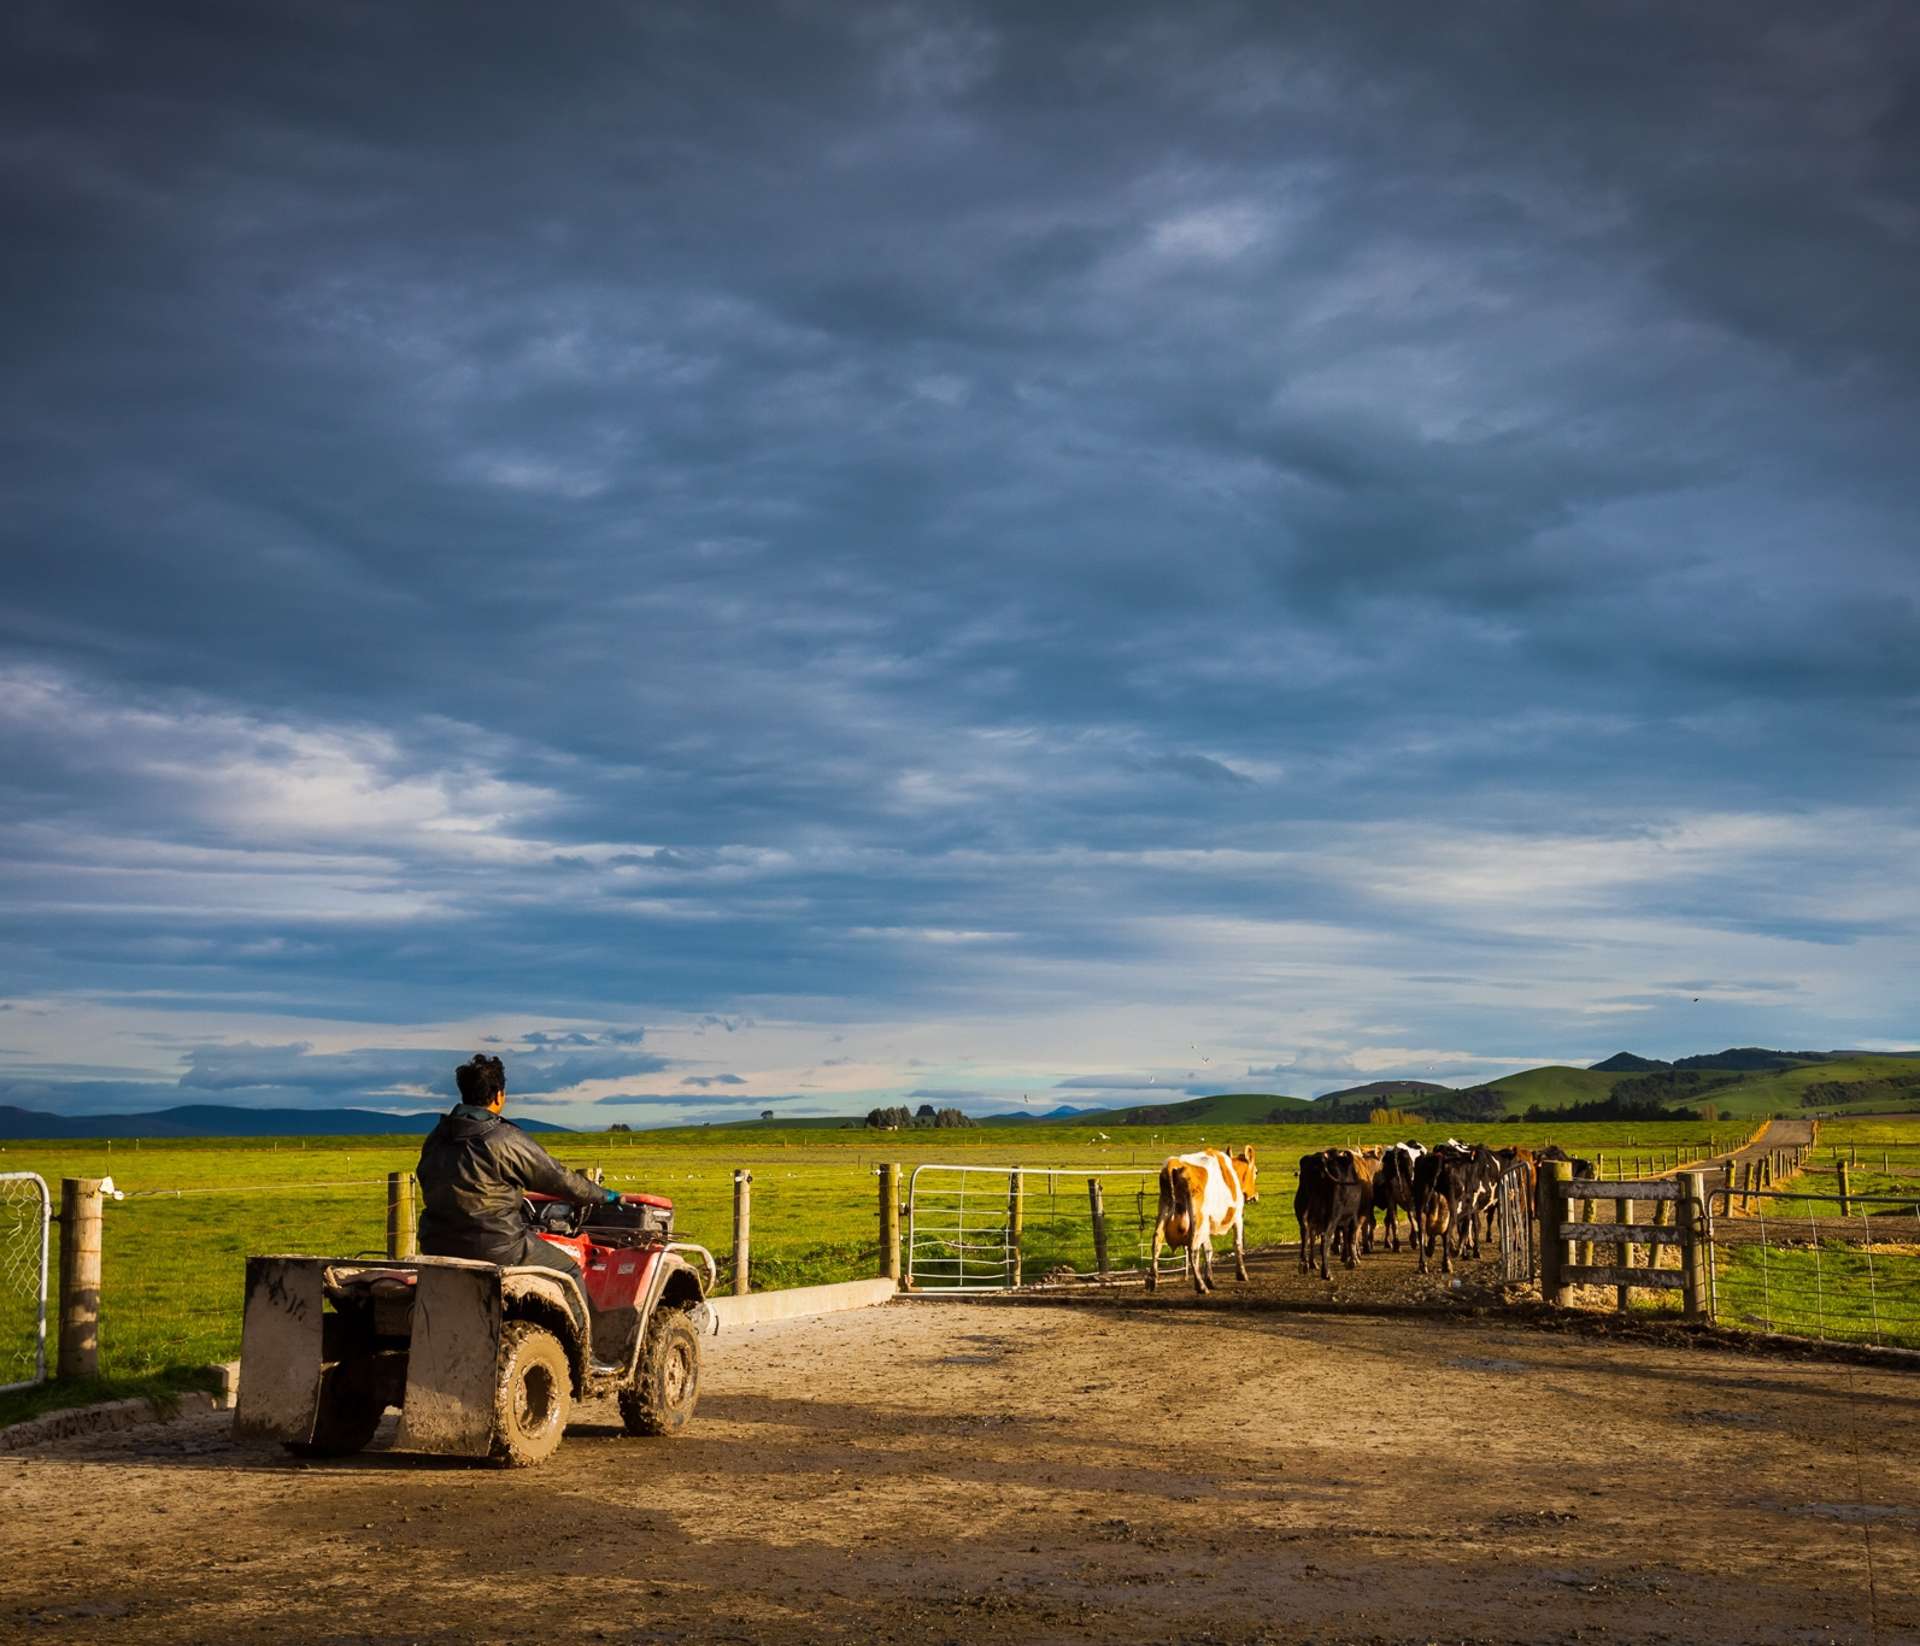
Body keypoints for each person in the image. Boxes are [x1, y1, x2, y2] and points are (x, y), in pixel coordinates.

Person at [415, 1053, 620, 1280]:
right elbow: (558, 1178)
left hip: (436, 1242)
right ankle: (584, 1317)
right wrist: (603, 1195)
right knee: (569, 1270)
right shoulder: (503, 1138)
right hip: (496, 1245)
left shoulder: (436, 1137)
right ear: (498, 1095)